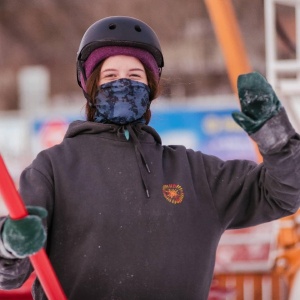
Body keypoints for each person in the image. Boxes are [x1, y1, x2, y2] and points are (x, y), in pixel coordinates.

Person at [0, 15, 299, 300]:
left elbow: (282, 193)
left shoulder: (195, 173)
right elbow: (10, 272)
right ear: (90, 87)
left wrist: (278, 140)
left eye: (134, 75)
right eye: (110, 76)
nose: (123, 84)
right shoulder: (54, 169)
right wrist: (8, 243)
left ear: (151, 88)